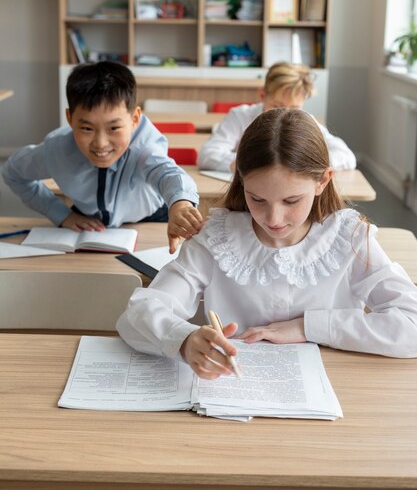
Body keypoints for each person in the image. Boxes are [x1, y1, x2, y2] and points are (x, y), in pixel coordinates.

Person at [117, 108, 417, 379]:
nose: (273, 218)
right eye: (257, 199)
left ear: (322, 181)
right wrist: (182, 339)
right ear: (241, 180)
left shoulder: (348, 237)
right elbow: (138, 313)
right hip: (236, 389)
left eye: (291, 200)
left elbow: (411, 325)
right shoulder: (217, 238)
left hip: (336, 387)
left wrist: (308, 327)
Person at [2, 61, 203, 252]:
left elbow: (169, 174)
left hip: (148, 218)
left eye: (114, 127)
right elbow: (13, 172)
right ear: (70, 118)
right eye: (87, 128)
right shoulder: (56, 150)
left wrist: (181, 204)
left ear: (134, 119)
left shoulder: (145, 147)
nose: (100, 143)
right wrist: (61, 214)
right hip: (86, 221)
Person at [197, 61, 356, 172]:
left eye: (294, 108)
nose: (284, 114)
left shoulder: (306, 122)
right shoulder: (240, 116)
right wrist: (258, 162)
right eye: (276, 105)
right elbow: (207, 155)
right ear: (262, 95)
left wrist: (301, 163)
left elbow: (347, 157)